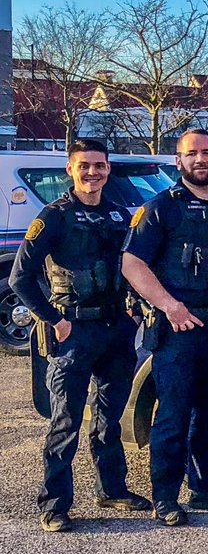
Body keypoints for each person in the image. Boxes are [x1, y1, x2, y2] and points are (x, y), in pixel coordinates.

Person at [10, 138, 150, 532]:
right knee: (65, 421)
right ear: (70, 169)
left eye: (100, 166)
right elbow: (20, 277)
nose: (93, 172)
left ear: (108, 170)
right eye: (84, 165)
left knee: (109, 417)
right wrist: (53, 319)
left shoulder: (119, 215)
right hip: (72, 331)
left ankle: (113, 489)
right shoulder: (54, 217)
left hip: (114, 330)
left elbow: (132, 269)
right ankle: (54, 505)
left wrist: (136, 310)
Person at [122, 128, 208, 526]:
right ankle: (166, 497)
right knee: (173, 417)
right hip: (179, 328)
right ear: (179, 161)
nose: (200, 160)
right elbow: (132, 264)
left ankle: (207, 489)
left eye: (207, 153)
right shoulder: (161, 208)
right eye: (192, 154)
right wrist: (169, 306)